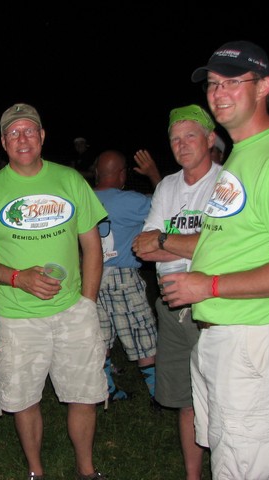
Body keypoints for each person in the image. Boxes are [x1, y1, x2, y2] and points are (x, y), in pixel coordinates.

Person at [153, 40, 269, 480]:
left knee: (246, 467)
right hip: (219, 335)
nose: (218, 93)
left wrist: (206, 285)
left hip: (254, 340)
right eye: (212, 83)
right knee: (226, 459)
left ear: (263, 86)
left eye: (232, 82)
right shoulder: (241, 156)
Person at [0, 103, 109, 480]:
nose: (23, 138)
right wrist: (17, 278)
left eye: (29, 130)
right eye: (14, 132)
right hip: (16, 316)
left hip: (73, 311)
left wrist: (87, 301)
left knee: (84, 394)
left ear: (42, 136)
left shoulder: (70, 180)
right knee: (23, 399)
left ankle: (86, 470)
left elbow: (92, 246)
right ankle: (36, 472)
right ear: (4, 141)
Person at [132, 104, 221, 479]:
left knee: (222, 401)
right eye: (175, 139)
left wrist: (166, 240)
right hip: (170, 307)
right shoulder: (167, 186)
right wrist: (194, 244)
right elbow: (142, 247)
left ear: (210, 139)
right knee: (186, 401)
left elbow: (223, 247)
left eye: (190, 136)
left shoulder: (226, 183)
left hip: (213, 307)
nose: (182, 145)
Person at [93, 150, 157, 406]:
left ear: (97, 172)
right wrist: (153, 174)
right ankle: (156, 393)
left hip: (92, 277)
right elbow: (168, 205)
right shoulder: (130, 201)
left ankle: (106, 389)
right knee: (143, 334)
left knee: (100, 336)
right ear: (121, 174)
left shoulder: (83, 197)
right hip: (123, 277)